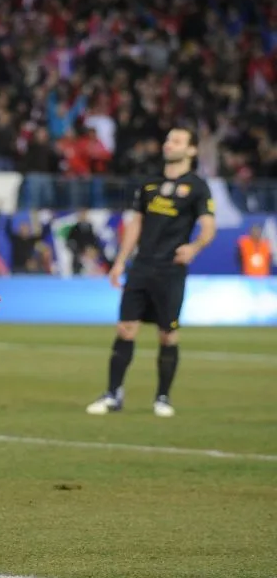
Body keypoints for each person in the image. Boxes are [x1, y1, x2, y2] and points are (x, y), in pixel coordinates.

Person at [86, 128, 216, 418]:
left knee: (167, 335)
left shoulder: (197, 187)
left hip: (170, 270)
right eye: (168, 139)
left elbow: (209, 226)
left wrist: (194, 247)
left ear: (192, 150)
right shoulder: (148, 184)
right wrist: (120, 261)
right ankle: (113, 394)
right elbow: (135, 225)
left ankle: (162, 397)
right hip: (141, 267)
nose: (169, 144)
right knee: (125, 328)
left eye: (177, 141)